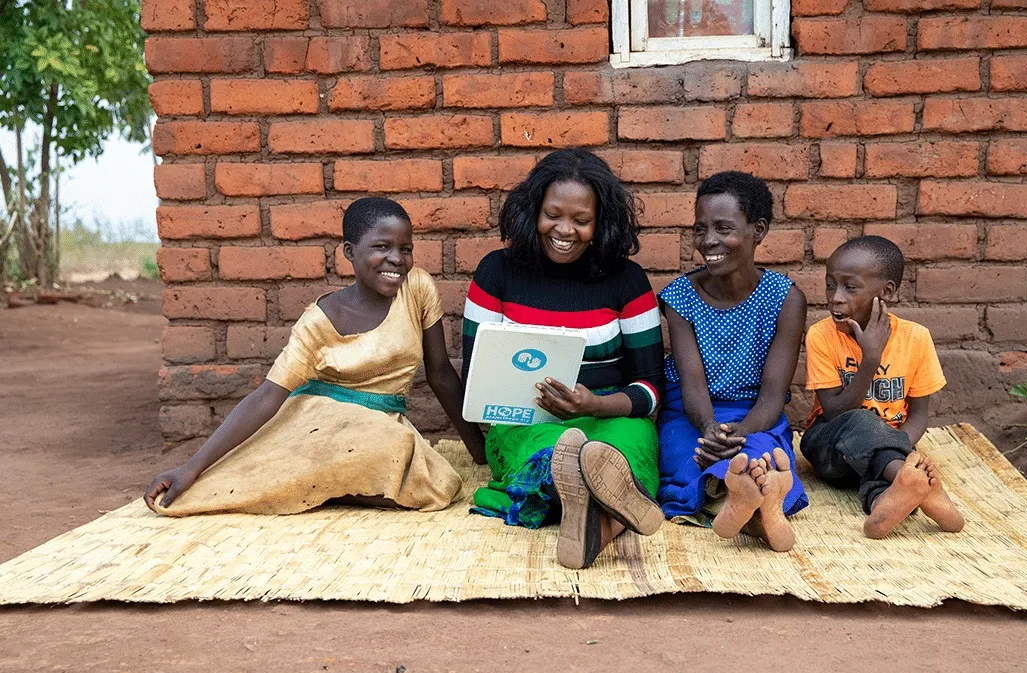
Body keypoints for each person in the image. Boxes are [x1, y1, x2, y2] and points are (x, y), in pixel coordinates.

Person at [144, 197, 486, 516]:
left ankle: (323, 483)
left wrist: (479, 452)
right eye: (382, 247)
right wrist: (191, 466)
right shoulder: (318, 320)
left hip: (380, 427)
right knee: (240, 475)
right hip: (317, 423)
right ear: (350, 252)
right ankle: (319, 481)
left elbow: (440, 373)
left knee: (435, 479)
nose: (397, 259)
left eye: (405, 249)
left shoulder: (417, 288)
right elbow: (267, 396)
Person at [461, 149, 666, 569]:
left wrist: (594, 404)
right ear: (532, 210)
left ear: (601, 223)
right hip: (524, 420)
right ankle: (609, 513)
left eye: (582, 220)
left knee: (619, 447)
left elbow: (650, 389)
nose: (565, 230)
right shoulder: (495, 274)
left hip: (611, 414)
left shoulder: (627, 281)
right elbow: (476, 378)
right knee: (555, 449)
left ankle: (585, 515)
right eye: (553, 214)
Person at [656, 171, 808, 552]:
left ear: (758, 230)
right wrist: (709, 429)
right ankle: (748, 506)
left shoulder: (785, 299)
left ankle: (739, 500)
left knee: (761, 455)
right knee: (685, 458)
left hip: (756, 414)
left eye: (724, 228)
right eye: (700, 229)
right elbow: (691, 385)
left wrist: (737, 433)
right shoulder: (681, 297)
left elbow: (774, 396)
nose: (709, 241)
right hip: (691, 413)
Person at [800, 235, 965, 539]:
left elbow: (918, 416)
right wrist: (870, 359)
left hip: (881, 455)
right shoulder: (821, 335)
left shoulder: (916, 338)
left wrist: (890, 449)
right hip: (828, 445)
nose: (835, 297)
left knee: (881, 463)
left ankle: (884, 503)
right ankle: (912, 480)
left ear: (885, 292)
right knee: (864, 422)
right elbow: (835, 411)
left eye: (850, 287)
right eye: (830, 284)